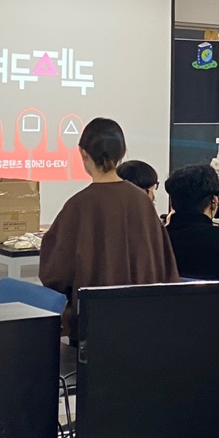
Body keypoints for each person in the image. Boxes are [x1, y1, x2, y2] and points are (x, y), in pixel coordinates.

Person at [39, 119, 178, 318]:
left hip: (95, 321)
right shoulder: (142, 201)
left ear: (83, 153)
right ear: (122, 152)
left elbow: (55, 272)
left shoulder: (79, 205)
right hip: (144, 319)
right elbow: (165, 266)